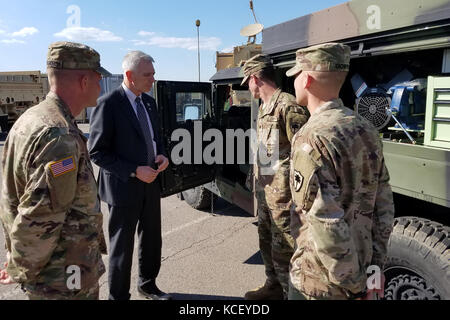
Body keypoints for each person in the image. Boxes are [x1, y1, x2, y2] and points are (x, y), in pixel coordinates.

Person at [286, 42, 395, 300]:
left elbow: (325, 222)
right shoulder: (366, 128)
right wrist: (372, 274)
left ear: (308, 79)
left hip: (320, 282)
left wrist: (355, 286)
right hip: (359, 272)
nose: (294, 82)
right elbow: (384, 208)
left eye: (297, 75)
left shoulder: (311, 137)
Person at [0, 41, 109, 300]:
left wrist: (17, 259)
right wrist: (21, 267)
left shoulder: (31, 119)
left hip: (56, 272)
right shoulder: (59, 136)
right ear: (84, 80)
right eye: (98, 78)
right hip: (63, 277)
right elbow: (41, 216)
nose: (100, 85)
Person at [88, 51, 170, 301]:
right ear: (129, 76)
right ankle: (119, 296)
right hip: (123, 187)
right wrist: (135, 170)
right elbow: (97, 152)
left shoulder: (149, 102)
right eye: (148, 75)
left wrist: (162, 156)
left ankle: (148, 284)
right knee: (122, 247)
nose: (153, 80)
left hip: (151, 183)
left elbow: (156, 138)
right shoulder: (109, 104)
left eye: (153, 74)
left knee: (152, 239)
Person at [241, 54, 309, 300]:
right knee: (267, 241)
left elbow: (304, 154)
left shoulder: (287, 105)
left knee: (286, 249)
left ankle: (291, 293)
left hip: (285, 196)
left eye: (248, 82)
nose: (248, 88)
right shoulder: (264, 107)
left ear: (255, 78)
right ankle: (273, 286)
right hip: (266, 192)